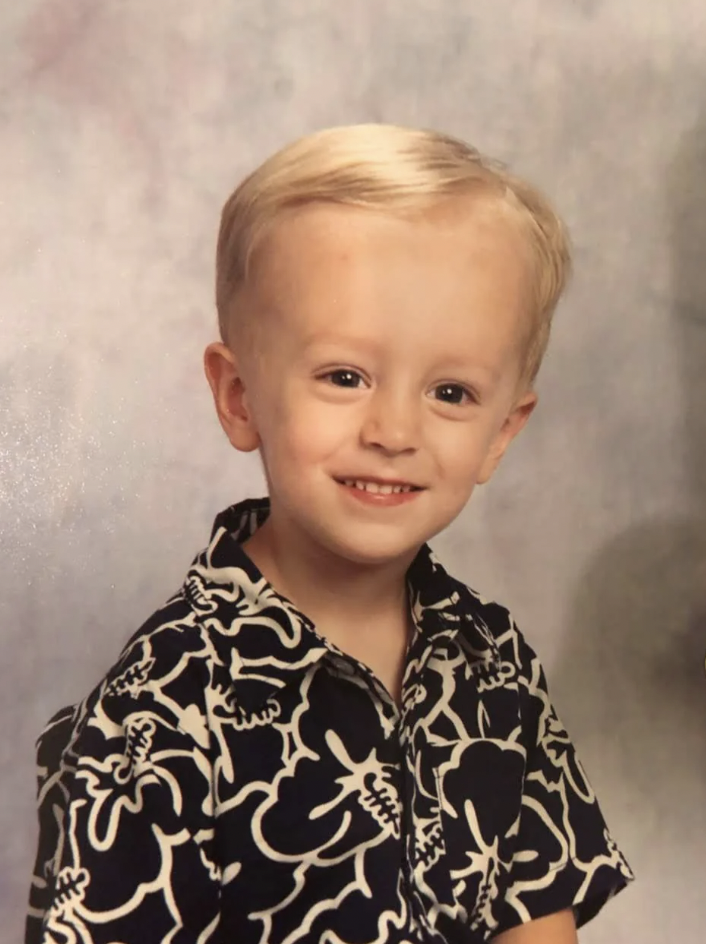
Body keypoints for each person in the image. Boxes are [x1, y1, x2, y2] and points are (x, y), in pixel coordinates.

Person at [26, 123, 634, 944]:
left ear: (501, 432)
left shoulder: (493, 665)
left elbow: (534, 912)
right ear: (240, 397)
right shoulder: (161, 716)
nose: (394, 429)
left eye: (451, 392)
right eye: (345, 377)